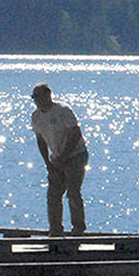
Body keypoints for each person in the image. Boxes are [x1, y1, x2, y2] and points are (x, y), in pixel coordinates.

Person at [30, 82, 89, 236]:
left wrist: (65, 155)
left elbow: (75, 133)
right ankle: (55, 229)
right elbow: (40, 140)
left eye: (39, 97)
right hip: (56, 158)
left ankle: (78, 228)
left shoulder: (63, 110)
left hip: (75, 155)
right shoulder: (36, 116)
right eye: (34, 98)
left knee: (73, 191)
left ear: (48, 95)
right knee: (53, 194)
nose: (37, 101)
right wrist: (48, 163)